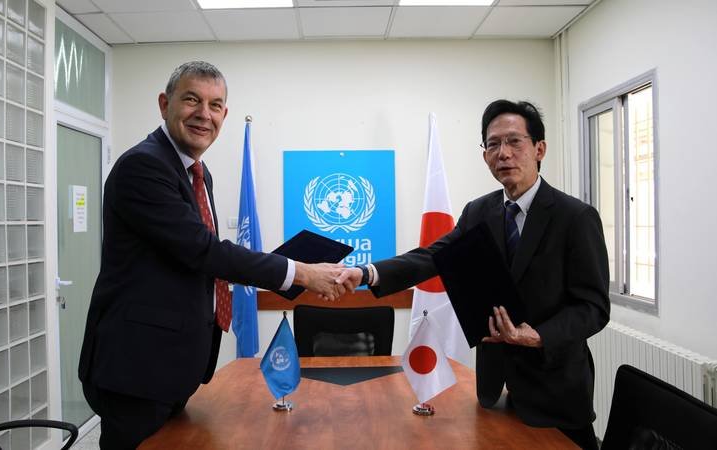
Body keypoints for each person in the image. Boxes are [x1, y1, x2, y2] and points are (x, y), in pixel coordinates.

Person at [78, 61, 344, 449]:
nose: (205, 114)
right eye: (192, 100)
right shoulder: (143, 166)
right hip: (135, 371)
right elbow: (203, 251)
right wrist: (300, 273)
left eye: (215, 105)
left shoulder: (197, 173)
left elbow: (195, 260)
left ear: (224, 114)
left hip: (172, 367)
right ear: (164, 104)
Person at [337, 100, 610, 449]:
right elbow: (433, 257)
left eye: (514, 141)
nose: (503, 153)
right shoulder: (479, 212)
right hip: (494, 390)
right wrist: (367, 273)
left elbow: (593, 307)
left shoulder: (575, 217)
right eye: (493, 144)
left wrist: (537, 335)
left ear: (539, 149)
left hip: (555, 394)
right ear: (485, 156)